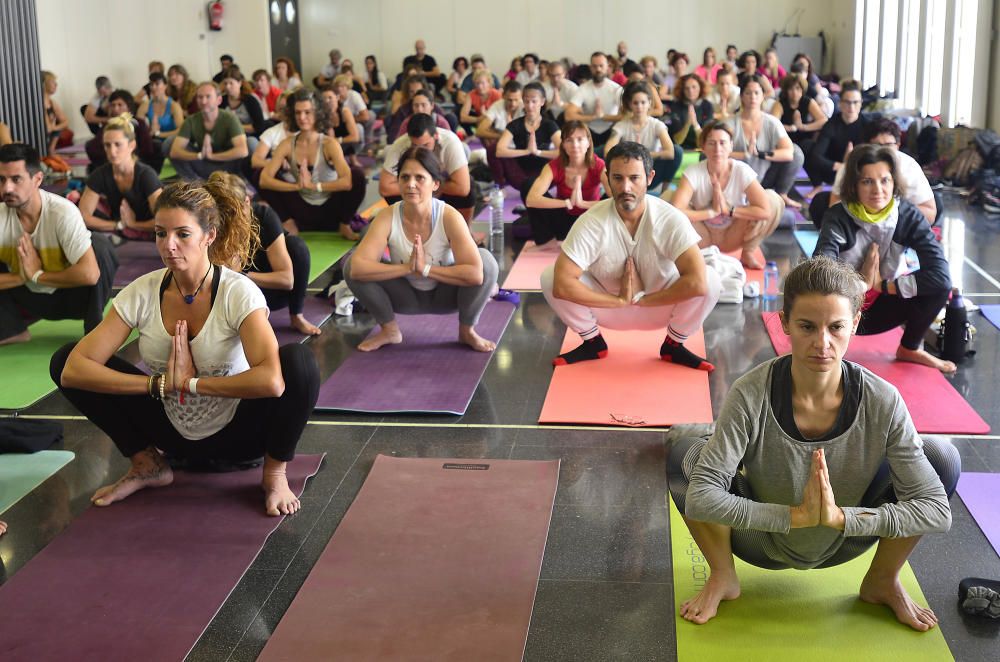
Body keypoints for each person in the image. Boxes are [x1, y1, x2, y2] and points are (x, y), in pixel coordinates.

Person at [667, 255, 958, 630]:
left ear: (854, 323)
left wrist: (842, 518)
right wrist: (793, 517)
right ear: (785, 322)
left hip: (848, 539)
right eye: (807, 326)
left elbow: (936, 511)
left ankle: (883, 579)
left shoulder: (883, 400)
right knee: (685, 453)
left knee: (940, 456)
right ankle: (723, 575)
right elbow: (702, 497)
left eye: (836, 327)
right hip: (763, 541)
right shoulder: (750, 392)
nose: (822, 343)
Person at [51, 179, 321, 517]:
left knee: (299, 362)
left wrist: (192, 384)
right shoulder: (142, 291)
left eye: (183, 234)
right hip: (171, 432)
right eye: (161, 234)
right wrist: (158, 384)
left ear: (209, 236)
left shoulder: (238, 292)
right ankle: (148, 464)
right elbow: (74, 369)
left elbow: (271, 381)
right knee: (64, 357)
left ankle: (275, 474)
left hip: (240, 436)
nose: (169, 245)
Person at [541, 141, 720, 368]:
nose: (626, 187)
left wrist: (644, 301)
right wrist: (618, 301)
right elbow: (562, 285)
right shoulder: (591, 221)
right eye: (617, 178)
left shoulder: (669, 218)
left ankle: (674, 345)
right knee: (550, 277)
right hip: (608, 308)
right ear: (608, 178)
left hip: (659, 306)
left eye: (634, 178)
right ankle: (593, 342)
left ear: (649, 177)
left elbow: (696, 282)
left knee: (710, 280)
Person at [344, 146, 500, 353]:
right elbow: (357, 269)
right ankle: (389, 330)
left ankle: (466, 330)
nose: (411, 184)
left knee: (486, 263)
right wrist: (408, 268)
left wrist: (425, 269)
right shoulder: (387, 216)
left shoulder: (449, 216)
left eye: (419, 178)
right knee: (350, 265)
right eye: (405, 177)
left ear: (435, 184)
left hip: (447, 295)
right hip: (404, 296)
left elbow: (475, 274)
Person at [814, 145, 954, 373]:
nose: (877, 189)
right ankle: (825, 343)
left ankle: (909, 348)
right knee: (817, 286)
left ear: (894, 183)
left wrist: (882, 285)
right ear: (854, 185)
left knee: (940, 287)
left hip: (879, 307)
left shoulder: (908, 216)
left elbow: (940, 275)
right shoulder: (838, 216)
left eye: (885, 180)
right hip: (841, 311)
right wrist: (861, 284)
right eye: (867, 181)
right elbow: (821, 271)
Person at [0, 144, 117, 344]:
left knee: (99, 246)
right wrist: (23, 276)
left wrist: (37, 274)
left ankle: (94, 331)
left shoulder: (62, 212)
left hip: (73, 298)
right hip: (30, 301)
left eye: (16, 179)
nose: (6, 188)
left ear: (37, 179)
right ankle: (11, 330)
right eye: (1, 180)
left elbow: (90, 274)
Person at [212, 172, 320, 336]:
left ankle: (296, 316)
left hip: (269, 291)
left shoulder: (264, 216)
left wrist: (243, 275)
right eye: (224, 216)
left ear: (247, 203)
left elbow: (287, 280)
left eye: (233, 214)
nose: (230, 221)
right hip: (230, 295)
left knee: (297, 247)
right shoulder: (211, 224)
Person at [670, 121, 782, 269]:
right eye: (711, 143)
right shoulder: (693, 172)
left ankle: (748, 252)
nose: (717, 149)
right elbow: (676, 211)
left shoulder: (741, 170)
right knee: (668, 198)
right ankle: (686, 256)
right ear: (703, 147)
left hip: (733, 234)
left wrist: (729, 210)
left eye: (722, 143)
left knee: (774, 200)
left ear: (731, 146)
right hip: (701, 236)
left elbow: (765, 210)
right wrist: (711, 212)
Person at [259, 89, 363, 240]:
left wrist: (314, 186)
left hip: (331, 208)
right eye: (298, 113)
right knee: (259, 174)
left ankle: (344, 224)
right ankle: (288, 222)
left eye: (307, 112)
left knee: (358, 175)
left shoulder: (329, 144)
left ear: (317, 113)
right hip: (302, 210)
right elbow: (264, 179)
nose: (302, 117)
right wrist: (296, 186)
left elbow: (347, 182)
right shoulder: (287, 144)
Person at [811, 117, 938, 227]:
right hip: (859, 221)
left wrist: (888, 216)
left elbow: (930, 213)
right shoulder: (853, 163)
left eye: (888, 145)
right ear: (866, 146)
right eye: (877, 145)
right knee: (821, 203)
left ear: (898, 145)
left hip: (898, 225)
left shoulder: (909, 167)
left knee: (934, 203)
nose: (883, 151)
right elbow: (835, 204)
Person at [524, 120, 608, 249]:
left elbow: (617, 199)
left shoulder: (599, 165)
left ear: (588, 143)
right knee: (528, 185)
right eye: (569, 140)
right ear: (563, 144)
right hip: (563, 221)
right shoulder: (554, 166)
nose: (575, 145)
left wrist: (583, 204)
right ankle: (547, 241)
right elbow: (531, 199)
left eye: (580, 139)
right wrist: (567, 203)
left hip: (591, 220)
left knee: (617, 193)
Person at [78, 114, 163, 240]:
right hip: (119, 228)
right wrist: (119, 225)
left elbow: (164, 220)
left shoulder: (146, 175)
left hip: (150, 232)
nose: (112, 151)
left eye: (118, 144)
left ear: (131, 145)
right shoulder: (99, 174)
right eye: (107, 145)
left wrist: (134, 225)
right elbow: (83, 216)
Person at [727, 74, 804, 209]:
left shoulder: (771, 122)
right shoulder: (730, 122)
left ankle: (781, 195)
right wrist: (745, 155)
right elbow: (717, 153)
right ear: (741, 97)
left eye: (757, 93)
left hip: (764, 178)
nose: (753, 97)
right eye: (748, 93)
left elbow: (789, 153)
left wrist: (760, 154)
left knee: (797, 152)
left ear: (763, 96)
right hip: (736, 177)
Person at [380, 114, 474, 221]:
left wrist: (428, 186)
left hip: (440, 189)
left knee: (469, 186)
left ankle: (465, 230)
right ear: (409, 138)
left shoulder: (450, 141)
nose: (420, 150)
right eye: (415, 145)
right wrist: (416, 187)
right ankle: (409, 224)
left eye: (425, 145)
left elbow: (463, 188)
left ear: (436, 136)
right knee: (394, 195)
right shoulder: (401, 143)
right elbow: (385, 188)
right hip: (415, 192)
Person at [606, 81, 678, 191]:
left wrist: (641, 155)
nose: (639, 106)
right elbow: (607, 150)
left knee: (678, 151)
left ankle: (664, 190)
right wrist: (631, 158)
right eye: (635, 103)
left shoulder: (657, 125)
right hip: (628, 172)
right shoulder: (621, 125)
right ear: (630, 104)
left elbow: (670, 152)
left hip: (651, 171)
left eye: (643, 102)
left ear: (649, 103)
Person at [169, 82, 249, 181]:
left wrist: (212, 156)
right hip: (202, 162)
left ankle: (242, 180)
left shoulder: (230, 118)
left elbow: (243, 150)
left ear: (219, 100)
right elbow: (174, 151)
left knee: (251, 143)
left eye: (208, 97)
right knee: (170, 142)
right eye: (200, 97)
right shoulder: (191, 120)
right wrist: (199, 155)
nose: (203, 101)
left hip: (228, 165)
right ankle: (194, 183)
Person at [805, 80, 869, 198]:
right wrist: (839, 166)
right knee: (806, 146)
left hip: (857, 171)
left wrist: (850, 164)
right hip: (832, 169)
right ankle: (817, 185)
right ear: (840, 103)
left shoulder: (867, 125)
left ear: (861, 104)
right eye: (847, 102)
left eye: (855, 102)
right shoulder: (832, 123)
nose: (851, 107)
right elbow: (816, 155)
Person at [496, 82, 562, 197]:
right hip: (519, 174)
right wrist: (527, 151)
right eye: (526, 101)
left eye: (534, 101)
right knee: (492, 149)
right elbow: (499, 150)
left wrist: (538, 152)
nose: (530, 106)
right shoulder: (515, 125)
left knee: (570, 153)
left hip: (544, 173)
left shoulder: (549, 125)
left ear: (542, 102)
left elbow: (563, 151)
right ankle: (500, 187)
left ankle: (561, 190)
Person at [85, 90, 156, 172]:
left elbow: (147, 149)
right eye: (113, 105)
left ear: (128, 107)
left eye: (120, 105)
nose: (116, 108)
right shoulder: (108, 125)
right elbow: (94, 148)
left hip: (135, 163)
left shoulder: (139, 124)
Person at [565, 52, 623, 150]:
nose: (598, 69)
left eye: (601, 66)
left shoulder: (616, 89)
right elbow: (568, 116)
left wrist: (603, 117)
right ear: (590, 67)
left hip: (611, 130)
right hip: (588, 131)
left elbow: (626, 116)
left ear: (608, 67)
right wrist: (593, 117)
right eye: (595, 66)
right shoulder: (583, 88)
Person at [478, 81, 525, 187]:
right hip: (501, 147)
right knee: (487, 141)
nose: (513, 104)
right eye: (509, 100)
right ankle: (499, 181)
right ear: (503, 96)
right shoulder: (497, 105)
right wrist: (503, 135)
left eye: (516, 100)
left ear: (521, 97)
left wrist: (509, 133)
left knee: (521, 183)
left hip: (522, 149)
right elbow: (480, 130)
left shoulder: (526, 107)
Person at [772, 74, 827, 150]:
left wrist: (804, 127)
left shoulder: (808, 101)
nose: (794, 92)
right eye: (791, 89)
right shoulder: (780, 104)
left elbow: (823, 121)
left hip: (804, 139)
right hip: (785, 139)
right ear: (786, 91)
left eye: (798, 88)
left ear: (802, 89)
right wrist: (789, 128)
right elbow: (773, 124)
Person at [137, 72, 185, 155]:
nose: (153, 87)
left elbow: (181, 130)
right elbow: (138, 127)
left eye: (157, 84)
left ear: (165, 86)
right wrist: (149, 131)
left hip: (170, 142)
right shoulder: (146, 105)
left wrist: (158, 134)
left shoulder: (174, 106)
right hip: (153, 143)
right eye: (151, 85)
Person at [668, 74, 714, 150]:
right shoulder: (676, 106)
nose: (690, 91)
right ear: (682, 90)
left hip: (702, 148)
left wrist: (695, 124)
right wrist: (687, 124)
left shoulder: (707, 106)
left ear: (700, 87)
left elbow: (705, 141)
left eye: (694, 87)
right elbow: (677, 141)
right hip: (681, 149)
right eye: (687, 88)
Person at [221, 68, 267, 142]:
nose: (227, 87)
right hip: (227, 137)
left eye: (231, 83)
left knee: (251, 142)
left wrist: (235, 127)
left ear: (239, 83)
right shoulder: (221, 100)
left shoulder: (250, 100)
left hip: (249, 136)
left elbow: (259, 126)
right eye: (225, 83)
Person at [543, 61, 580, 126]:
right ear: (548, 74)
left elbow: (579, 108)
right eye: (552, 75)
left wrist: (561, 104)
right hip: (548, 118)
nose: (555, 79)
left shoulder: (572, 87)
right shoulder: (543, 87)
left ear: (564, 73)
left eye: (558, 75)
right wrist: (551, 104)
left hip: (568, 120)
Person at [42, 71, 70, 155]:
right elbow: (47, 128)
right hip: (42, 136)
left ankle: (51, 149)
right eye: (52, 82)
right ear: (43, 84)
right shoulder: (39, 103)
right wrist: (53, 127)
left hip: (50, 135)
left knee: (61, 128)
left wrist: (54, 128)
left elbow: (66, 122)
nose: (56, 84)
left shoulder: (52, 102)